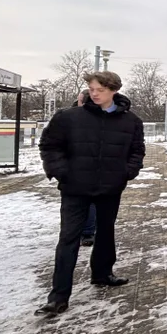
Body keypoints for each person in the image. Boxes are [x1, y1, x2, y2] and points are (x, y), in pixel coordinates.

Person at [36, 71, 145, 316]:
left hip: (110, 187)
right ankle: (58, 297)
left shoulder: (131, 122)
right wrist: (61, 171)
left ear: (114, 90)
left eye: (100, 90)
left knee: (106, 232)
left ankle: (103, 274)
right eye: (91, 89)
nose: (93, 94)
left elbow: (137, 150)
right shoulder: (68, 117)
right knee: (68, 239)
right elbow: (49, 145)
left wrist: (127, 172)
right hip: (75, 188)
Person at [72, 90, 96, 248]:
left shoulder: (71, 117)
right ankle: (84, 231)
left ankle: (87, 231)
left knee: (91, 201)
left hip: (94, 168)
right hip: (73, 170)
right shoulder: (67, 118)